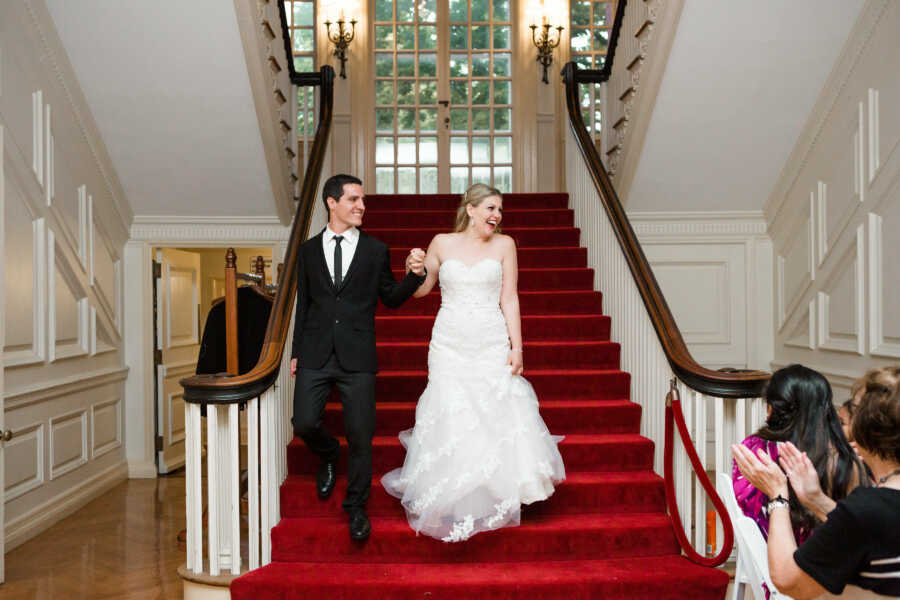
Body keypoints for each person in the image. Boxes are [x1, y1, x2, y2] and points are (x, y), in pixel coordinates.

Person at [381, 183, 566, 542]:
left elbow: (509, 298)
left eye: (500, 211)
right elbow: (420, 290)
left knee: (492, 410)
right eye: (491, 208)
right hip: (448, 343)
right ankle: (454, 494)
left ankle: (496, 489)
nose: (496, 216)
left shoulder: (504, 245)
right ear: (471, 209)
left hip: (490, 341)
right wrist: (412, 268)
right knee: (451, 411)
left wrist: (518, 347)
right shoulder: (441, 243)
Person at [289, 174, 426, 541]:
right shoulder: (307, 250)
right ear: (332, 203)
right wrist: (296, 352)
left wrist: (415, 276)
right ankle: (329, 453)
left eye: (362, 200)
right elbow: (305, 305)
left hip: (357, 355)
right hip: (316, 351)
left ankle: (356, 508)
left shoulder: (374, 250)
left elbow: (393, 298)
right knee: (303, 422)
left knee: (362, 437)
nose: (361, 206)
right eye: (353, 199)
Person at [733, 368, 900, 599]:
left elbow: (787, 580)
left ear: (864, 430)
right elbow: (870, 532)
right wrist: (817, 501)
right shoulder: (869, 510)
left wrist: (778, 495)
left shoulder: (866, 509)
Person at [731, 364, 863, 543]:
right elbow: (859, 533)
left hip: (765, 552)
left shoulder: (752, 448)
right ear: (825, 410)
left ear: (771, 410)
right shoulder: (838, 463)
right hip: (817, 564)